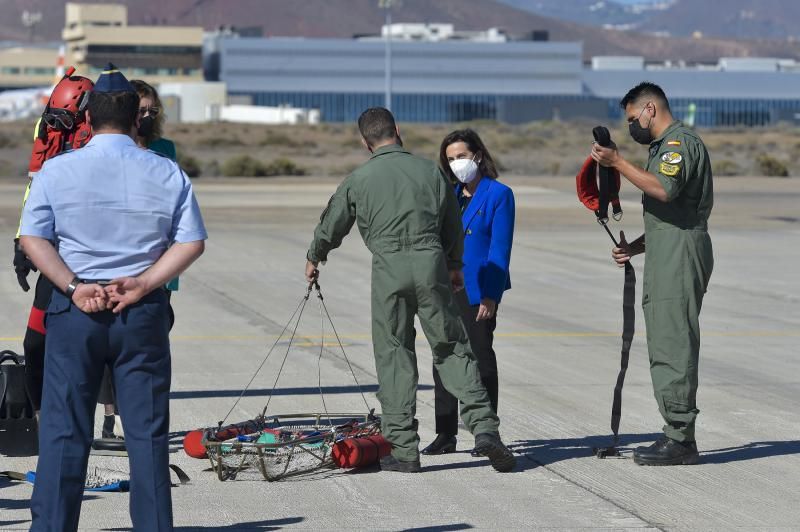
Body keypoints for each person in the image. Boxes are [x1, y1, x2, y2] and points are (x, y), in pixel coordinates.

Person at [19, 63, 207, 530]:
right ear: (134, 117)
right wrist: (144, 283)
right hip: (140, 312)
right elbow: (191, 242)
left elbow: (32, 239)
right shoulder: (166, 172)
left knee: (64, 434)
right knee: (146, 438)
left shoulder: (57, 171)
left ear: (90, 115)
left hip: (75, 313)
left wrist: (73, 286)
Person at [305, 108, 516, 473]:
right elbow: (452, 221)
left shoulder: (360, 178)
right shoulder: (430, 172)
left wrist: (315, 256)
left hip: (389, 269)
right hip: (431, 263)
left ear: (364, 141)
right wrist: (453, 265)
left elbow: (333, 222)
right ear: (397, 131)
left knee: (394, 352)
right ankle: (484, 429)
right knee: (451, 347)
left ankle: (404, 447)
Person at [591, 81, 713, 466]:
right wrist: (635, 247)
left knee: (673, 339)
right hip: (666, 247)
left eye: (632, 119)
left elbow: (664, 189)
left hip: (680, 251)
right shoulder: (664, 147)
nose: (632, 126)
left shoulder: (678, 145)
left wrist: (618, 163)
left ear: (649, 109)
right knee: (664, 335)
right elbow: (667, 216)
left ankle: (680, 438)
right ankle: (676, 431)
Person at [94, 79, 179, 441]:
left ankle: (136, 417)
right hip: (118, 256)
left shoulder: (164, 150)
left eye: (151, 111)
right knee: (111, 340)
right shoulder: (109, 150)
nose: (145, 116)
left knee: (148, 339)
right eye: (139, 111)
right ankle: (112, 416)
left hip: (155, 262)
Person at [422, 129, 515, 456]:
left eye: (460, 156)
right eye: (450, 159)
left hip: (478, 289)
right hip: (445, 287)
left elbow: (499, 251)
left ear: (477, 154)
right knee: (443, 359)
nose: (456, 163)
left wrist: (491, 295)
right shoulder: (448, 195)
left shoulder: (499, 194)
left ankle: (487, 432)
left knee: (480, 358)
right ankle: (445, 432)